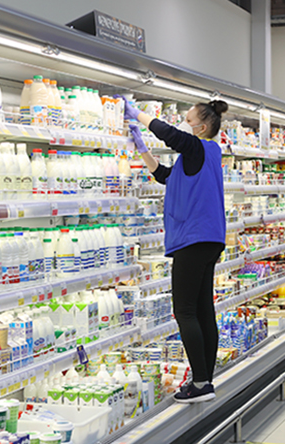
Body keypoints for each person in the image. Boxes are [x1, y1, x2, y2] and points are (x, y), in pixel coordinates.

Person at [120, 97, 228, 403]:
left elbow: (171, 135)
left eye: (188, 120)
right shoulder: (206, 154)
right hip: (208, 239)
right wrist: (143, 150)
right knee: (203, 309)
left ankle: (200, 383)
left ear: (201, 127)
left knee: (185, 310)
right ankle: (205, 379)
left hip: (193, 239)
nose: (183, 124)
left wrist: (138, 115)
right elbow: (167, 177)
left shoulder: (198, 148)